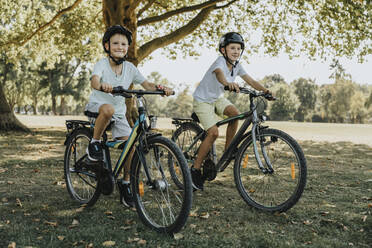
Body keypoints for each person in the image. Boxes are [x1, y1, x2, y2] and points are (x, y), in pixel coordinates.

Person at [85, 25, 173, 207]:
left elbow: (147, 84)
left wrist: (160, 88)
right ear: (107, 46)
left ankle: (125, 183)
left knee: (131, 144)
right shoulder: (102, 64)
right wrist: (102, 85)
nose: (120, 46)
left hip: (119, 113)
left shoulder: (130, 68)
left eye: (123, 44)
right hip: (98, 107)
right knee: (108, 109)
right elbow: (94, 80)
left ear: (127, 47)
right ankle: (93, 144)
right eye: (115, 43)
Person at [191, 32, 272, 190]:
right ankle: (195, 169)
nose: (236, 51)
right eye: (232, 48)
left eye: (239, 48)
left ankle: (228, 151)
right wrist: (228, 83)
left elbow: (251, 81)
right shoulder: (219, 62)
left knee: (235, 114)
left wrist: (266, 91)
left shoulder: (237, 66)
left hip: (217, 98)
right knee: (213, 133)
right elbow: (220, 76)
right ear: (223, 50)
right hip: (203, 100)